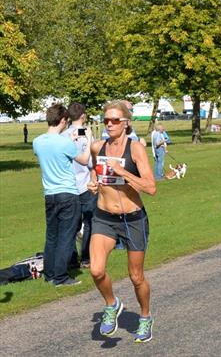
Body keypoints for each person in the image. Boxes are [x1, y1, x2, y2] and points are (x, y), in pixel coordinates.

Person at [87, 101, 157, 342]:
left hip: (133, 218)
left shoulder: (135, 148)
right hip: (104, 217)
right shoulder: (97, 147)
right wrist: (94, 184)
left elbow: (151, 187)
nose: (109, 124)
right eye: (106, 120)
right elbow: (95, 173)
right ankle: (111, 304)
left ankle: (145, 316)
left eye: (115, 120)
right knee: (96, 270)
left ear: (126, 123)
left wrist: (124, 172)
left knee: (136, 277)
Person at [33, 104, 90, 286]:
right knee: (67, 236)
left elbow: (53, 151)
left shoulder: (37, 141)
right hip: (68, 193)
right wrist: (87, 141)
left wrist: (71, 141)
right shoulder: (65, 143)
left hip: (50, 194)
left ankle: (50, 274)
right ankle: (61, 276)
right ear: (64, 120)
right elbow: (84, 159)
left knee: (52, 235)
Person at [61, 103, 96, 268]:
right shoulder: (87, 134)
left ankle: (72, 258)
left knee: (71, 224)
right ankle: (86, 257)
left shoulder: (63, 135)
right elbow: (91, 161)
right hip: (85, 184)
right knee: (89, 221)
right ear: (83, 116)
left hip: (68, 185)